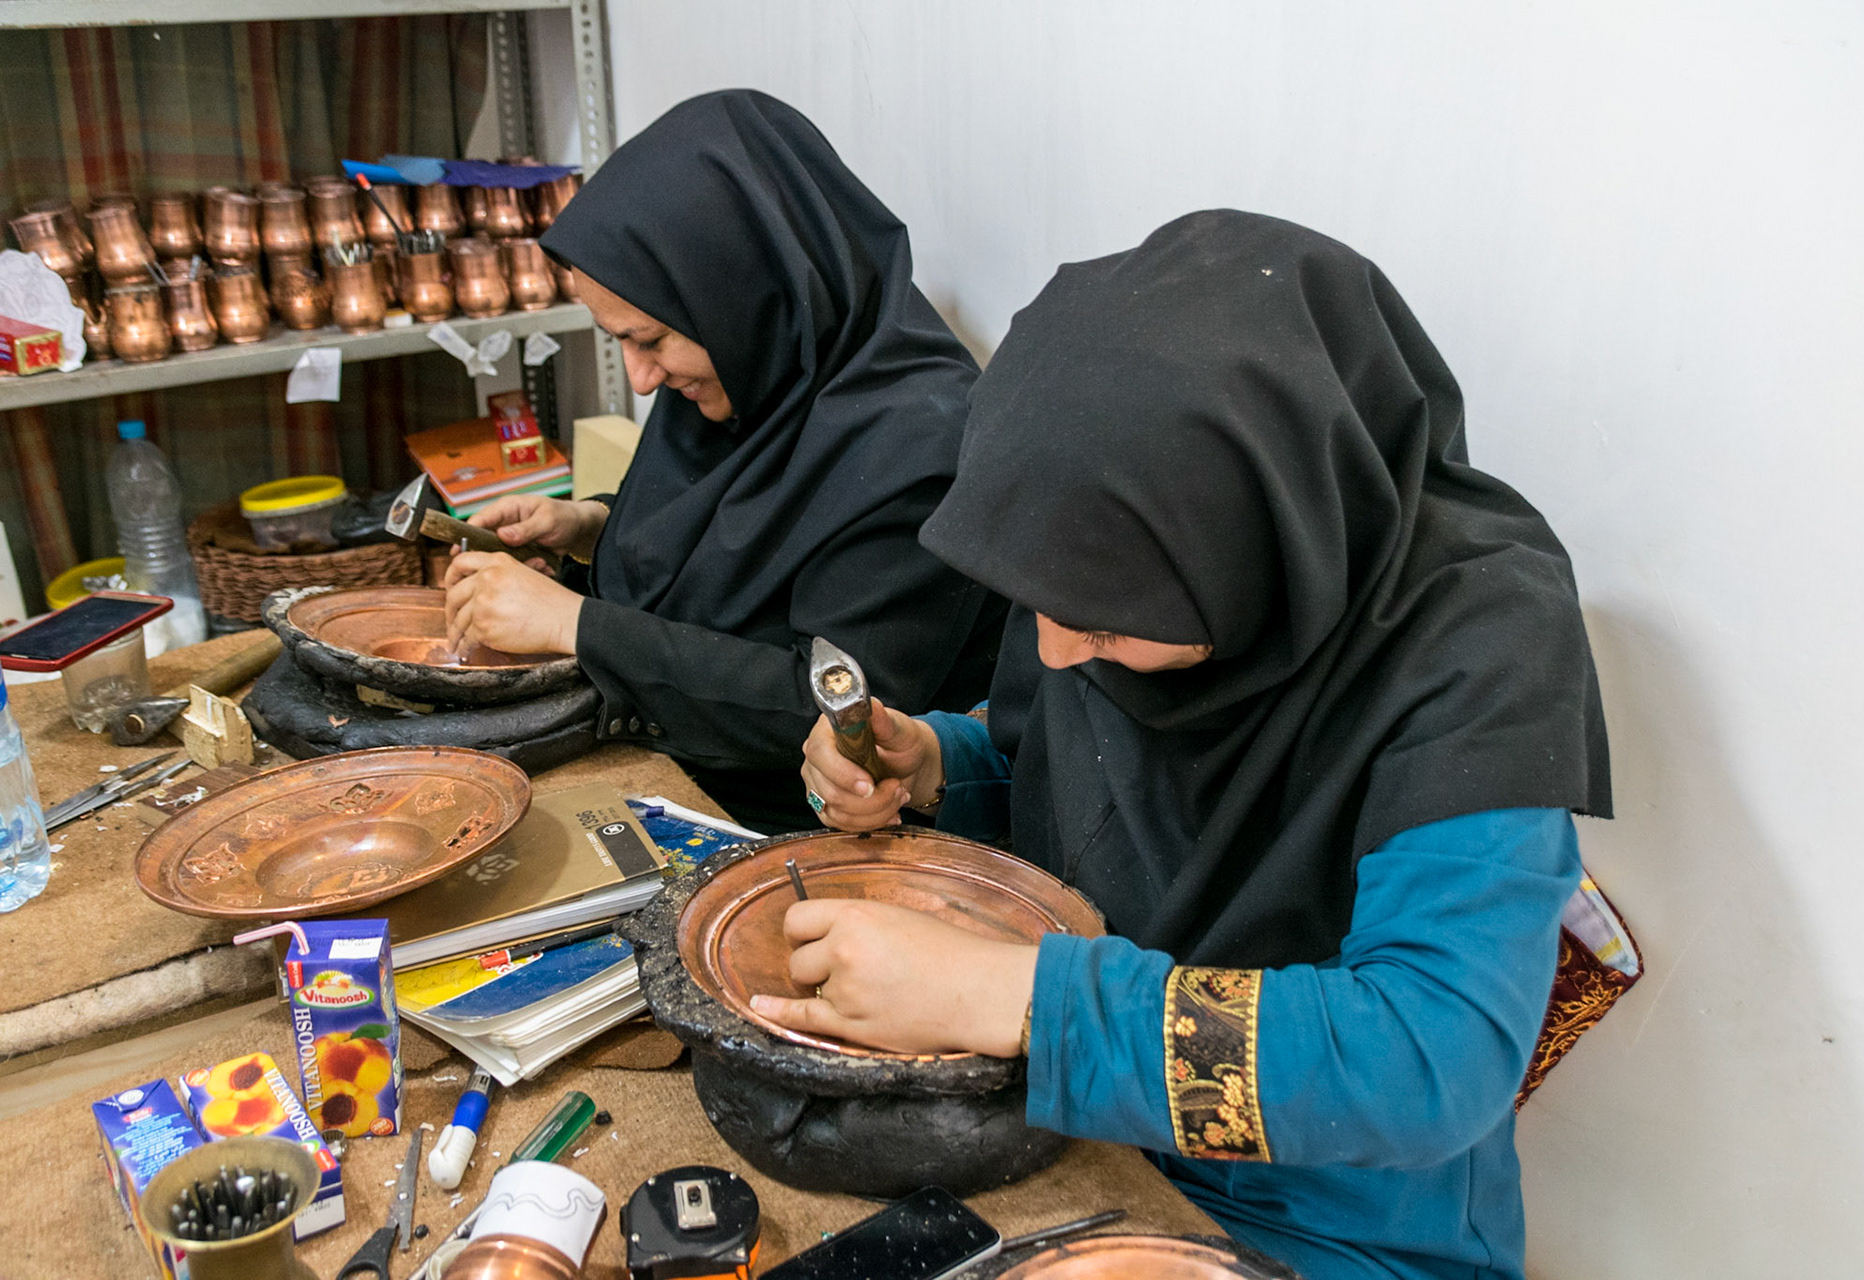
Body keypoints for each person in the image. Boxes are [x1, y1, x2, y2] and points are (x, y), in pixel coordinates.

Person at [766, 211, 1612, 1280]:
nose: (1057, 650)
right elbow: (1075, 779)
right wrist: (936, 765)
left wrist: (1015, 996)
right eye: (1035, 604)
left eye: (1106, 620)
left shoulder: (1482, 646)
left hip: (1330, 1219)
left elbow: (1429, 1053)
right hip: (1070, 1134)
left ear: (1263, 536)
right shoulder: (1117, 570)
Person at [441, 90, 1004, 833]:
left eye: (650, 340)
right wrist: (590, 526)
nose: (641, 378)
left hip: (808, 830)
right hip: (675, 772)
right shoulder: (753, 369)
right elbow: (731, 542)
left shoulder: (920, 449)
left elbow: (829, 708)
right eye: (619, 341)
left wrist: (576, 624)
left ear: (745, 293)